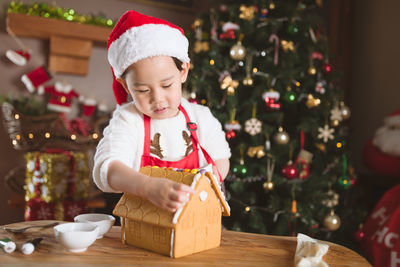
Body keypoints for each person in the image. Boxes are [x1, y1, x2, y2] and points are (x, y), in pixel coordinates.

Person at [93, 10, 231, 213]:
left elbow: (220, 158)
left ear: (183, 71)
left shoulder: (200, 117)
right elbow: (107, 170)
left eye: (167, 85)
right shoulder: (129, 119)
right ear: (125, 86)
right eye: (143, 90)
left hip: (195, 215)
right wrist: (147, 187)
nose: (157, 99)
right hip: (144, 221)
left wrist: (205, 186)